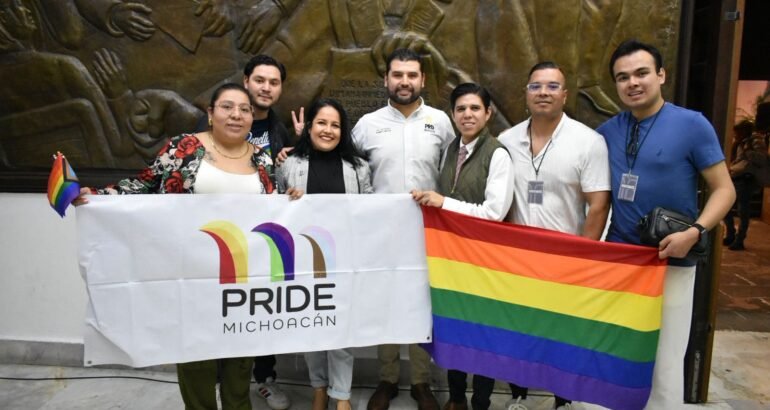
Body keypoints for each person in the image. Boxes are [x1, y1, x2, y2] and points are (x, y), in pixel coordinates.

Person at [74, 83, 284, 410]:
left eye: (245, 110)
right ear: (211, 113)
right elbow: (144, 184)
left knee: (240, 365)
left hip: (242, 280)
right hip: (191, 277)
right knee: (196, 362)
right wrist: (99, 197)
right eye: (227, 107)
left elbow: (271, 211)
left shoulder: (261, 158)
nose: (237, 115)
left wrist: (291, 200)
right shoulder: (184, 148)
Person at [597, 39, 735, 409]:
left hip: (672, 257)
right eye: (622, 77)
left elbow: (725, 190)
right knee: (618, 351)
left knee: (667, 357)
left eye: (641, 73)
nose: (632, 83)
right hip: (621, 260)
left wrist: (695, 232)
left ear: (661, 75)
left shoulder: (692, 125)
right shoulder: (607, 132)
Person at [498, 61, 611, 410]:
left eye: (552, 86)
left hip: (566, 261)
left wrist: (584, 258)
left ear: (564, 94)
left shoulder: (588, 142)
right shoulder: (506, 141)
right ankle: (518, 396)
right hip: (518, 261)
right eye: (536, 86)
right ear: (526, 93)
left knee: (564, 334)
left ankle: (563, 401)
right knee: (519, 332)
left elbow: (598, 204)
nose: (543, 92)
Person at [352, 48, 455, 410]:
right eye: (398, 75)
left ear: (422, 79)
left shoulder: (441, 122)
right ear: (386, 79)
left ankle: (421, 382)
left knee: (422, 305)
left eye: (412, 75)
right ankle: (388, 378)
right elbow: (349, 171)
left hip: (430, 233)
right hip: (381, 235)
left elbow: (452, 173)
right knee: (387, 304)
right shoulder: (367, 125)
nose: (405, 81)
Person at [413, 83, 514, 410]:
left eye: (474, 108)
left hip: (484, 261)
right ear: (453, 114)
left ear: (488, 113)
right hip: (452, 259)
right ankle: (456, 398)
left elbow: (494, 213)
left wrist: (444, 203)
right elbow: (444, 194)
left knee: (483, 337)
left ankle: (480, 401)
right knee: (455, 332)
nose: (467, 115)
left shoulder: (498, 154)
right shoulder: (451, 149)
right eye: (461, 109)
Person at [277, 98, 372, 410]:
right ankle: (319, 387)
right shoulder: (290, 164)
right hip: (303, 260)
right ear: (309, 127)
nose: (328, 130)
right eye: (321, 123)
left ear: (343, 131)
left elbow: (370, 211)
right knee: (311, 327)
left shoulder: (358, 167)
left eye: (335, 125)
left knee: (341, 328)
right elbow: (275, 210)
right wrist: (287, 199)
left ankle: (341, 394)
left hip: (344, 259)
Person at [723, 115, 768, 250]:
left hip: (746, 179)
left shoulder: (755, 142)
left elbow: (761, 159)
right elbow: (737, 160)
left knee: (743, 211)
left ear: (744, 131)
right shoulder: (740, 143)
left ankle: (739, 239)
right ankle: (730, 234)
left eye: (738, 132)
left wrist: (748, 149)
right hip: (735, 177)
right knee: (725, 208)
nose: (736, 135)